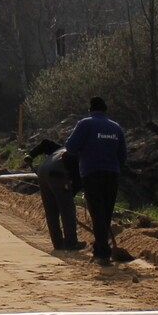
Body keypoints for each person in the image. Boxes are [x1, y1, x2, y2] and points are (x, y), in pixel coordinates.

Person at [64, 95, 127, 264]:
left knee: (97, 212)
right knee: (106, 212)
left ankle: (103, 253)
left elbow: (70, 147)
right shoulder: (116, 127)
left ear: (91, 110)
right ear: (106, 110)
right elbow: (123, 155)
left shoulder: (85, 123)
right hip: (112, 174)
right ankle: (100, 248)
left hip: (91, 173)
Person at [27, 137, 83, 251]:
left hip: (42, 171)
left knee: (51, 211)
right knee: (67, 210)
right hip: (57, 172)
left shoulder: (61, 148)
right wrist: (68, 198)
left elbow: (45, 142)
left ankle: (58, 244)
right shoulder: (82, 157)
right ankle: (71, 244)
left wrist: (31, 155)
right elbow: (77, 181)